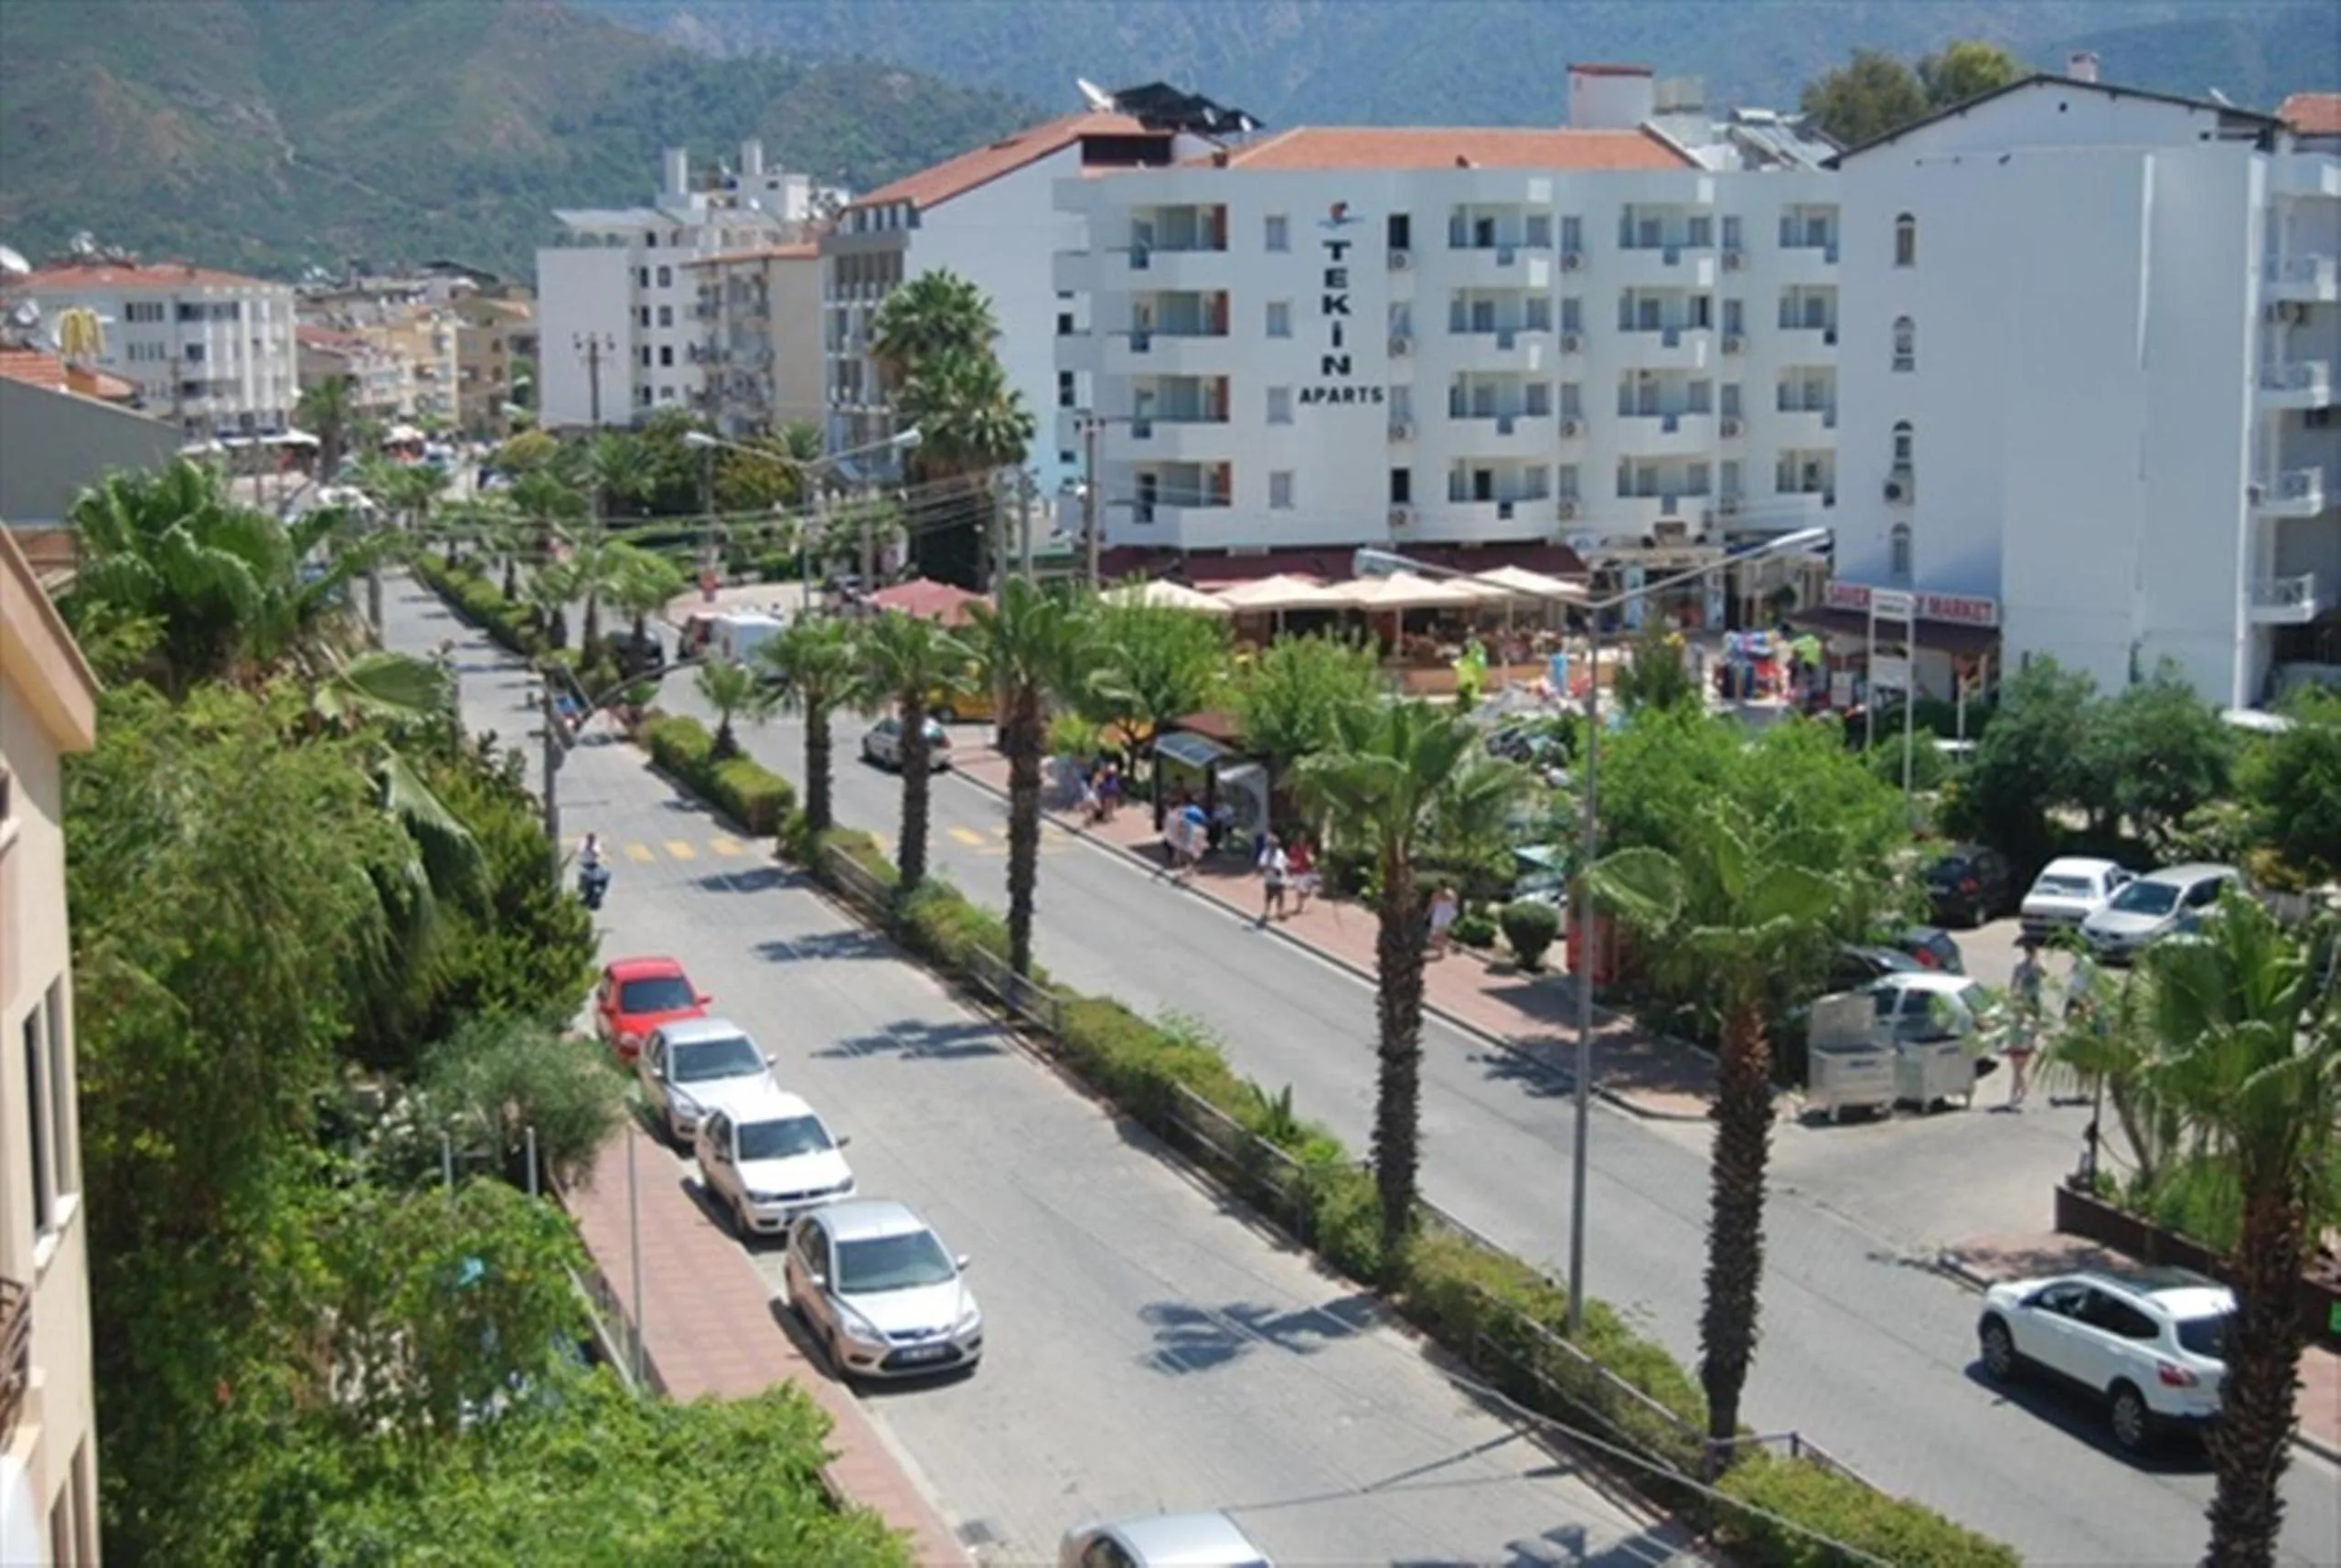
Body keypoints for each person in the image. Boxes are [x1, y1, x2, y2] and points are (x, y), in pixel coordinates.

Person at [2004, 938, 2045, 1110]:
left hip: (2031, 1002)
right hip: (2028, 1001)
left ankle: (2018, 1093)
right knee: (2018, 1069)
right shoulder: (2023, 967)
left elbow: (2042, 976)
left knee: (2018, 1069)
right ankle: (2020, 1092)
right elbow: (2014, 985)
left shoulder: (2031, 967)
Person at [1258, 836, 1288, 925]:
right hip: (1270, 878)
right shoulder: (1266, 853)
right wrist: (1268, 867)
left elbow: (1284, 863)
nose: (1274, 846)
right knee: (1269, 896)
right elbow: (1261, 864)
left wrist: (1285, 867)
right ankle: (1266, 911)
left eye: (1276, 844)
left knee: (1281, 895)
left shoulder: (1280, 853)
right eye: (1273, 844)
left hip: (1279, 878)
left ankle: (1280, 911)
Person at [1286, 834, 1319, 914]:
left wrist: (1310, 859)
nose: (1301, 841)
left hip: (1304, 872)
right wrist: (1291, 865)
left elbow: (1311, 860)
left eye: (1302, 839)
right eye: (1300, 839)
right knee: (1299, 890)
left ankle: (1299, 907)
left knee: (1300, 890)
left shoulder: (1306, 849)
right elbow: (1290, 859)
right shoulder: (1294, 848)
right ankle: (1300, 904)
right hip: (1296, 872)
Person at [1428, 884, 1460, 958]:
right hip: (1441, 915)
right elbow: (1433, 905)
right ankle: (1444, 948)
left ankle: (1442, 950)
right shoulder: (1440, 894)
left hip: (1444, 915)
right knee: (1438, 934)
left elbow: (1454, 904)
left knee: (1440, 933)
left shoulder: (1449, 894)